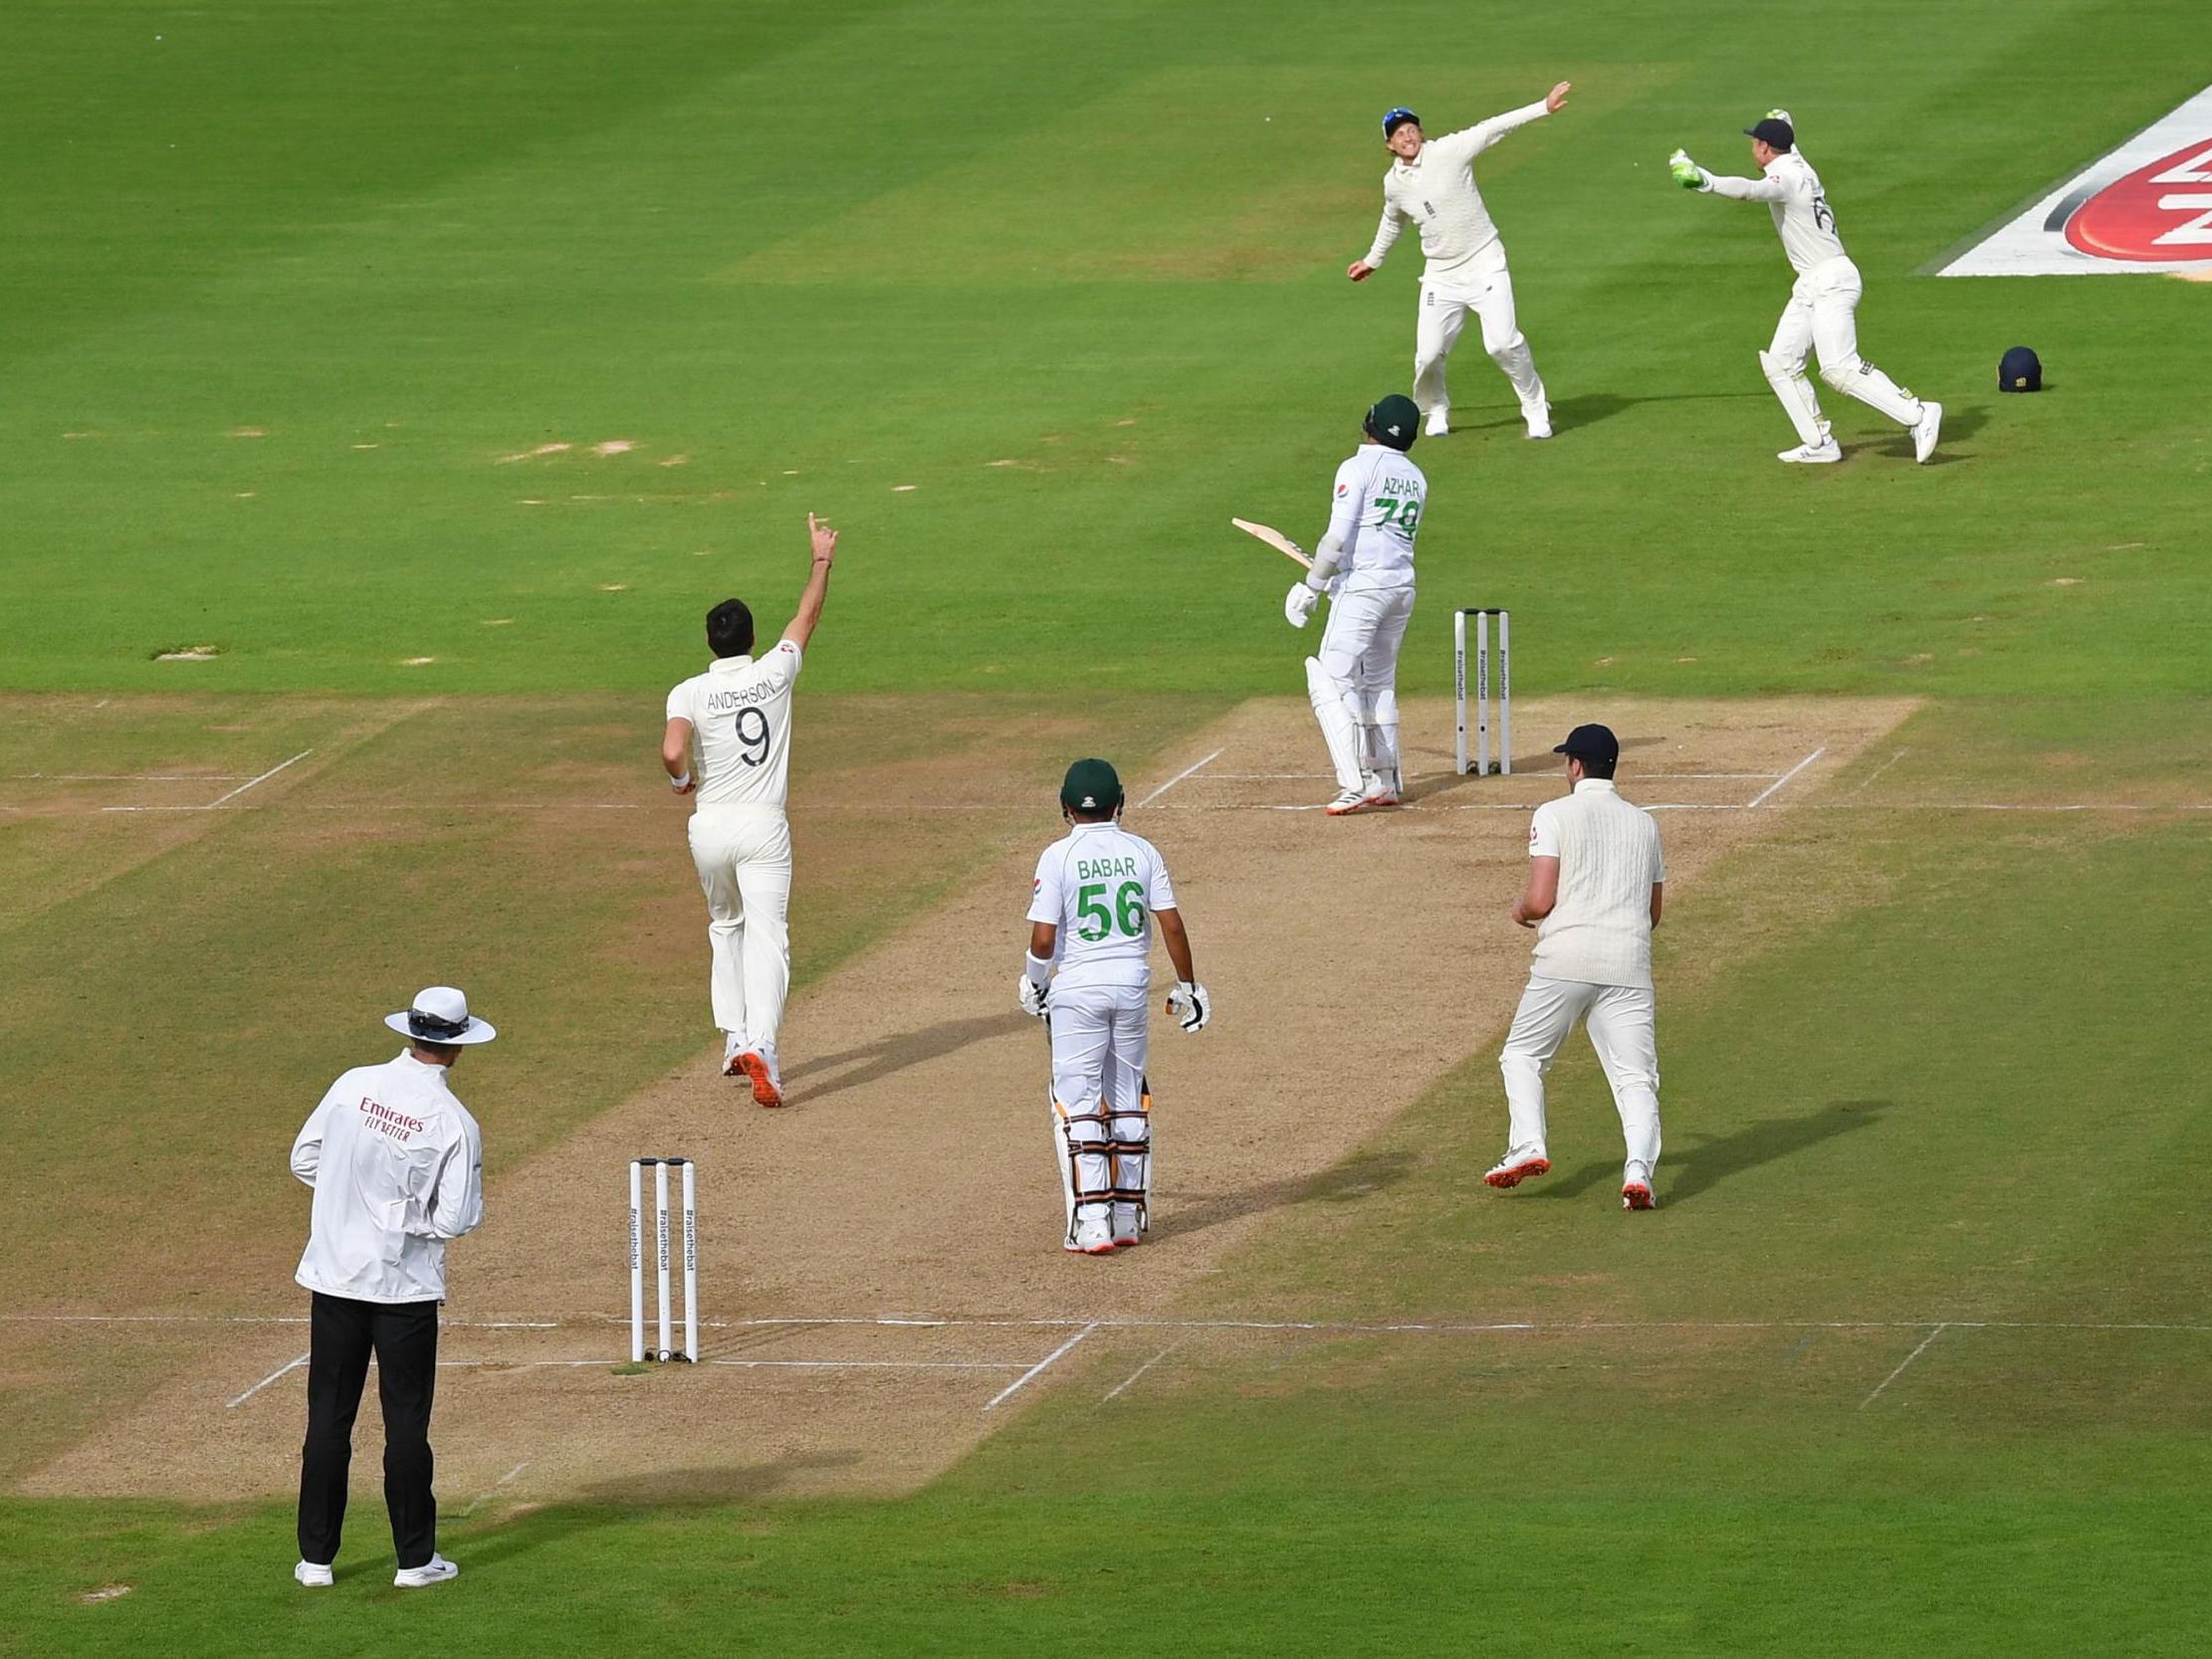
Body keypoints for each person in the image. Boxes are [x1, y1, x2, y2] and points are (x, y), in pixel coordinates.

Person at [290, 985, 491, 1588]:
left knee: (328, 1419)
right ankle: (414, 1561)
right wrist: (407, 1220)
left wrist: (348, 1203)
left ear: (411, 1033)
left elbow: (305, 1159)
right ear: (456, 1048)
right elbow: (456, 1220)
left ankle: (315, 1560)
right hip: (403, 1290)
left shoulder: (352, 1084)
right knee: (406, 1424)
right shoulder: (455, 1123)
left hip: (335, 1279)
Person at [662, 514, 838, 1106]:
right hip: (763, 827)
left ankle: (734, 1037)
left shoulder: (688, 690)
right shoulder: (774, 674)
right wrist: (820, 560)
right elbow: (807, 617)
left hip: (709, 827)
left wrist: (683, 779)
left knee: (726, 928)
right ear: (751, 639)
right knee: (769, 937)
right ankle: (761, 1042)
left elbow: (671, 749)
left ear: (711, 642)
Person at [1669, 112, 1942, 465]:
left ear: (1765, 147)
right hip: (1812, 283)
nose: (1753, 149)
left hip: (1832, 281)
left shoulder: (1786, 178)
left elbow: (1751, 191)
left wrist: (1704, 180)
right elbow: (1787, 133)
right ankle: (1820, 443)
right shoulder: (1798, 161)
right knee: (1781, 363)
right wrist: (1781, 117)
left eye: (1755, 143)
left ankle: (1919, 414)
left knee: (1839, 368)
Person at [1017, 758, 1210, 1254]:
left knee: (1077, 1104)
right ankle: (1126, 1217)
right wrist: (1189, 985)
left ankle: (1093, 1222)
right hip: (1130, 988)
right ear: (1120, 801)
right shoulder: (1143, 851)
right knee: (1126, 1096)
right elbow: (1170, 924)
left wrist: (1033, 982)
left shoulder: (1056, 857)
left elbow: (1044, 936)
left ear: (1064, 808)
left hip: (1078, 991)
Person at [1483, 726, 1666, 1210]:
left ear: (1576, 766)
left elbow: (1541, 900)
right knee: (1636, 1079)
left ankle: (1529, 1144)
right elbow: (1652, 914)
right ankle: (1639, 1174)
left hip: (1565, 960)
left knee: (1522, 1056)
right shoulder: (1645, 824)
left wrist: (1520, 912)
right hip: (1629, 963)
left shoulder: (1553, 814)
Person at [1347, 84, 1572, 440]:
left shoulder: (1448, 151)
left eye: (1410, 129)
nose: (1406, 136)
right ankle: (1436, 408)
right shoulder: (1393, 184)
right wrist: (1372, 260)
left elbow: (1493, 127)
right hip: (1441, 275)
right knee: (1428, 355)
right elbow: (1392, 221)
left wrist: (1542, 107)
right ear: (1389, 145)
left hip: (1485, 261)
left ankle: (1534, 404)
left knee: (1502, 343)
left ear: (1420, 132)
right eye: (1397, 133)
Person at [1283, 394, 1427, 815]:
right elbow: (1379, 538)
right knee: (1378, 682)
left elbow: (1336, 537)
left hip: (1364, 589)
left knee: (1328, 678)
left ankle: (1353, 783)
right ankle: (1384, 780)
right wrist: (1339, 577)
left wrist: (1312, 587)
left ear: (1370, 423)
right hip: (1400, 587)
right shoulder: (1416, 478)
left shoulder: (1357, 467)